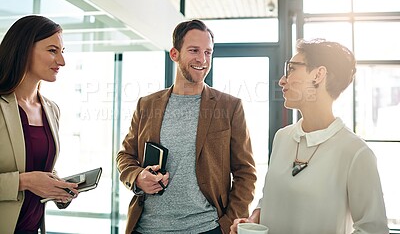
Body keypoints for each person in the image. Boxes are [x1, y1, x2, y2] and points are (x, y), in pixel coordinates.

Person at [230, 38, 389, 234]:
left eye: (292, 69)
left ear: (318, 75)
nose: (282, 80)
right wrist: (253, 219)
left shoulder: (356, 152)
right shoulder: (282, 137)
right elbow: (271, 198)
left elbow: (373, 230)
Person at [117, 19, 257, 234]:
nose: (202, 59)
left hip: (206, 229)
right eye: (194, 50)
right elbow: (125, 156)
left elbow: (245, 172)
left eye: (208, 52)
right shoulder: (147, 105)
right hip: (146, 228)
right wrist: (137, 177)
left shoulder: (229, 107)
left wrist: (229, 223)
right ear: (174, 54)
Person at [0, 15, 79, 234]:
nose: (61, 61)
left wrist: (57, 188)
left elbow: (39, 166)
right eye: (52, 51)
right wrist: (23, 182)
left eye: (62, 52)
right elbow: (28, 178)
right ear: (24, 50)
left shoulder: (51, 110)